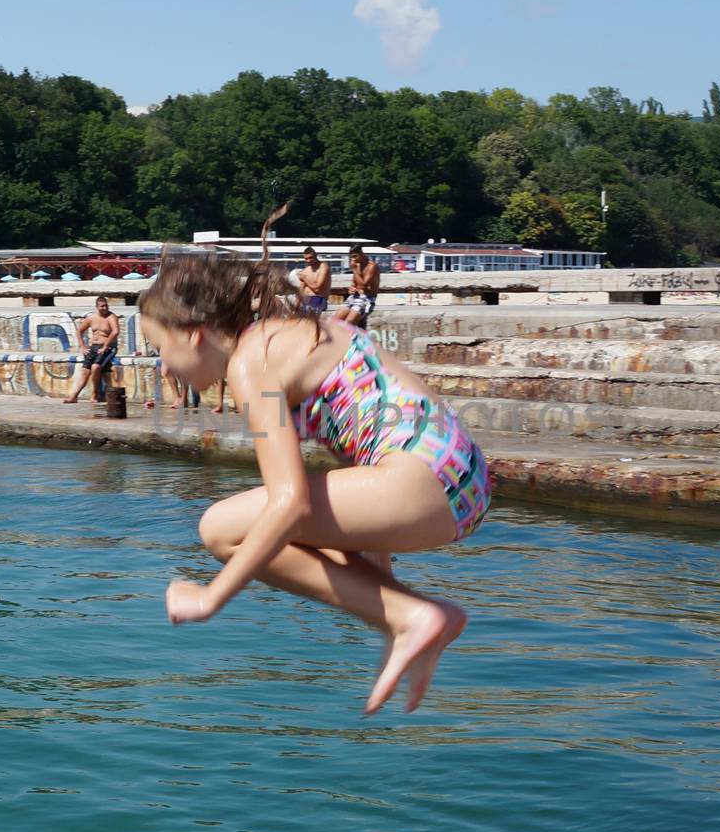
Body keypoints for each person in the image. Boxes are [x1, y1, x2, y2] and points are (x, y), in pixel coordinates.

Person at [138, 250, 490, 713]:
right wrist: (390, 614)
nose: (163, 369)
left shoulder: (251, 363)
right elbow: (359, 485)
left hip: (421, 476)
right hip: (463, 481)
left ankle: (418, 616)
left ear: (193, 335)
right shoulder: (304, 333)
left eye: (159, 350)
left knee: (221, 528)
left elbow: (291, 503)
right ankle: (414, 620)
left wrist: (210, 597)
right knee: (308, 538)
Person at [62, 297, 123, 404]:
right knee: (85, 371)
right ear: (97, 307)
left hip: (108, 347)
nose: (105, 308)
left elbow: (115, 332)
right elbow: (79, 331)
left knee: (95, 367)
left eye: (106, 305)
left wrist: (105, 346)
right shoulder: (91, 318)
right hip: (94, 347)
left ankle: (94, 394)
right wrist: (82, 346)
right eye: (102, 306)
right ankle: (74, 396)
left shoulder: (111, 317)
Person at [332, 249, 381, 327]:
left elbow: (364, 285)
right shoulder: (357, 265)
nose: (354, 259)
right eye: (352, 257)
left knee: (348, 323)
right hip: (354, 297)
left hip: (366, 298)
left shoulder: (372, 266)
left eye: (355, 256)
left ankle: (349, 338)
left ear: (362, 253)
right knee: (333, 321)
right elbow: (354, 284)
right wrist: (351, 288)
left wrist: (354, 270)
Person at [296, 246, 331, 314]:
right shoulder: (305, 271)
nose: (309, 260)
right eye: (306, 258)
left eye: (311, 257)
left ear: (316, 255)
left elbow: (317, 289)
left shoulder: (323, 267)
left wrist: (305, 279)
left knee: (308, 312)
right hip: (306, 300)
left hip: (318, 299)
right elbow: (301, 290)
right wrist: (296, 307)